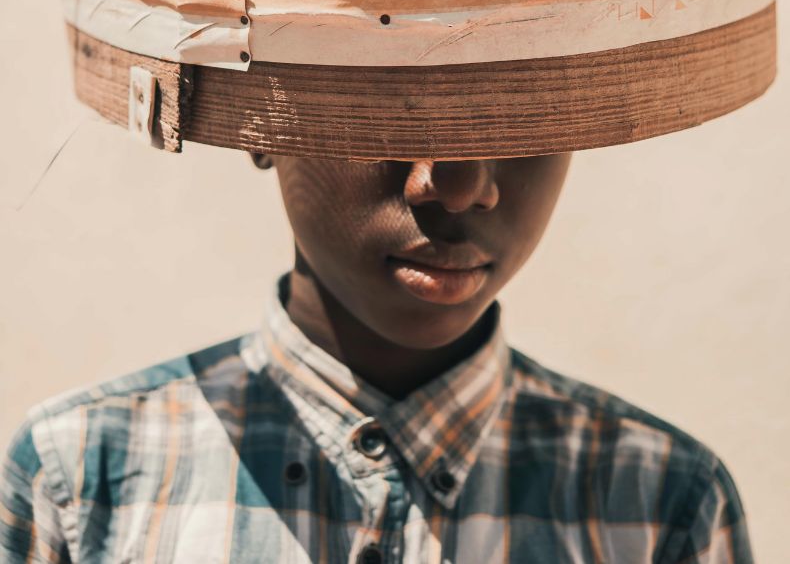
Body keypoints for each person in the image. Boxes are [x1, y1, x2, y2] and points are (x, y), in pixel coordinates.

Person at [0, 152, 752, 563]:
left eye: (527, 110)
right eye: (393, 108)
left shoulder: (663, 505)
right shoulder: (85, 474)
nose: (460, 187)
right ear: (257, 122)